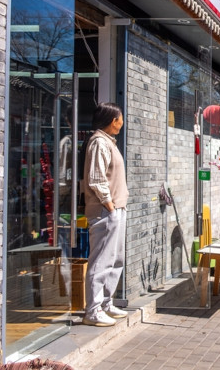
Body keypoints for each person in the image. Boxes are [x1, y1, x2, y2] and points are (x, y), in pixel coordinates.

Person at [82, 102, 129, 327]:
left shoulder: (109, 142)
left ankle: (105, 304)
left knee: (115, 259)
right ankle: (92, 310)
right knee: (101, 260)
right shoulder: (99, 142)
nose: (122, 122)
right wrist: (109, 205)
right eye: (120, 118)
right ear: (113, 120)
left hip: (116, 208)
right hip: (105, 210)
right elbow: (96, 178)